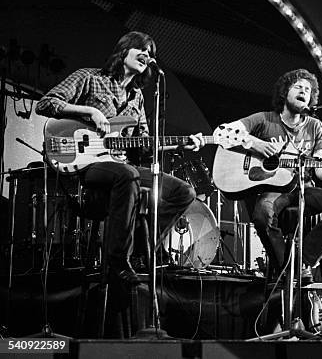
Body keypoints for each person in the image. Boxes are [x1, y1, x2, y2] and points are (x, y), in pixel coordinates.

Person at [36, 31, 206, 283]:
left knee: (184, 192)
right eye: (142, 49)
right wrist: (90, 111)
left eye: (151, 53)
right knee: (129, 174)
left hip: (123, 169)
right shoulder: (89, 77)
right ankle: (117, 263)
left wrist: (181, 144)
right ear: (124, 50)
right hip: (89, 166)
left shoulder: (137, 98)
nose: (147, 55)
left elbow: (145, 146)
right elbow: (46, 103)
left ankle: (142, 249)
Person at [215, 69, 322, 281]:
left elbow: (321, 171)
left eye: (308, 90)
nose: (303, 91)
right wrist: (256, 144)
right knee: (262, 215)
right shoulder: (264, 120)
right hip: (273, 191)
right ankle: (286, 268)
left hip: (303, 188)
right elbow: (221, 133)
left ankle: (302, 261)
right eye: (298, 87)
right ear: (284, 92)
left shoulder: (315, 127)